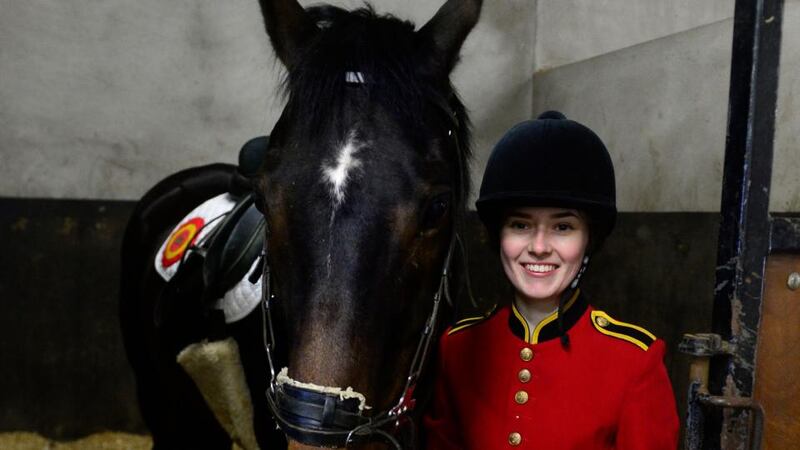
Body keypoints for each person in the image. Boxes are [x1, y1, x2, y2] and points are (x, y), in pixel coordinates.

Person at [424, 111, 679, 449]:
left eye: (563, 227)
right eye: (520, 225)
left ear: (589, 239)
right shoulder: (456, 348)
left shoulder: (635, 360)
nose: (539, 247)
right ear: (498, 235)